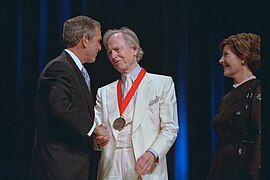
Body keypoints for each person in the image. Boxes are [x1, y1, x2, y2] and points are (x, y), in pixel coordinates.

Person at [30, 15, 110, 180]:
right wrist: (94, 128)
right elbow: (61, 107)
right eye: (98, 40)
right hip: (59, 167)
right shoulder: (59, 67)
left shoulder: (74, 70)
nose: (100, 47)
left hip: (74, 165)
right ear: (85, 40)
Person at [93, 27, 179, 180]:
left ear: (134, 49)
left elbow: (170, 128)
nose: (113, 55)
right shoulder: (104, 92)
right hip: (112, 167)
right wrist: (98, 140)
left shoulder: (162, 84)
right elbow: (97, 130)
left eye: (117, 49)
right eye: (109, 52)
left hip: (146, 164)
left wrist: (153, 152)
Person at [207, 33, 261, 180]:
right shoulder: (227, 97)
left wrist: (253, 174)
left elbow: (259, 135)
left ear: (243, 57)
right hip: (222, 168)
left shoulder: (257, 89)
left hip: (243, 169)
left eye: (226, 55)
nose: (221, 60)